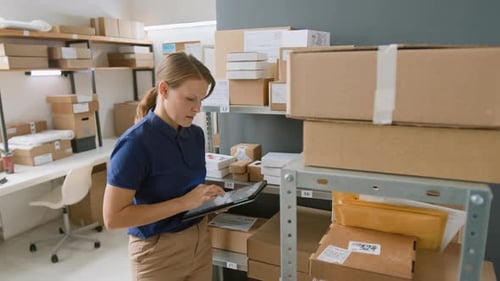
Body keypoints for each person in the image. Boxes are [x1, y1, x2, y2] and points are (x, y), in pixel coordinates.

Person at [103, 52, 225, 281]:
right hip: (158, 252)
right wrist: (185, 203)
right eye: (190, 99)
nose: (197, 108)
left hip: (199, 241)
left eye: (201, 99)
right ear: (164, 90)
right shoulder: (135, 144)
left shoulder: (195, 135)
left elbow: (183, 188)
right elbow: (112, 218)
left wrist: (209, 200)